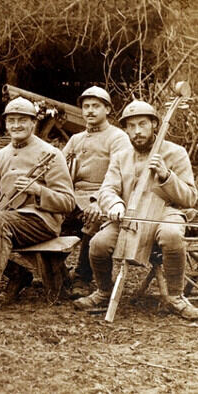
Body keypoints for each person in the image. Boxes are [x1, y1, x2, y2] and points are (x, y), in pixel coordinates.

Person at [74, 100, 198, 320]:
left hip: (165, 212)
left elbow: (189, 198)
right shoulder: (121, 157)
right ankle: (104, 291)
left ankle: (176, 297)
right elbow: (108, 189)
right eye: (131, 126)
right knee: (98, 244)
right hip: (128, 216)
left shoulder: (175, 153)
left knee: (171, 235)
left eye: (142, 124)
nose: (137, 131)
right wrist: (115, 204)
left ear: (154, 125)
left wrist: (167, 176)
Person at [0, 97, 75, 313]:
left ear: (33, 123)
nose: (16, 125)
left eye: (22, 120)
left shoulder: (51, 154)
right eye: (11, 120)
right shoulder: (1, 155)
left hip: (41, 222)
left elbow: (67, 202)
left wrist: (39, 191)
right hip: (2, 221)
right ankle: (19, 274)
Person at [62, 86, 131, 298]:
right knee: (47, 215)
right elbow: (61, 170)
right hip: (74, 196)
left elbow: (120, 176)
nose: (90, 111)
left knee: (94, 219)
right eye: (86, 106)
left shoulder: (117, 137)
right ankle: (58, 274)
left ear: (107, 109)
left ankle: (83, 278)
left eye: (96, 106)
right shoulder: (76, 139)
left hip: (103, 196)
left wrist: (97, 201)